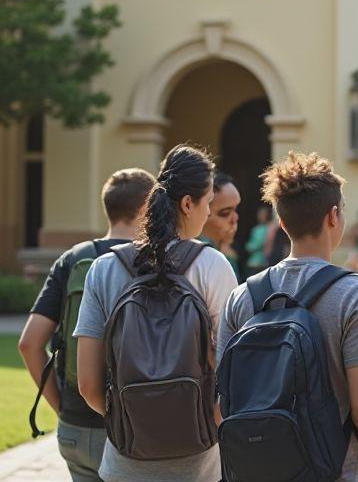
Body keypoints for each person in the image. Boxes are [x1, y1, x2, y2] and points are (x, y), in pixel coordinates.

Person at [217, 151, 358, 482]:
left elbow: (221, 405)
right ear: (334, 216)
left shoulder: (241, 296)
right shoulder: (356, 294)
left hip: (256, 469)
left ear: (281, 223)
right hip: (333, 469)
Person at [73, 145, 237, 482]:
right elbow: (234, 376)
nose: (208, 214)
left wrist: (134, 418)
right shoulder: (212, 266)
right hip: (199, 465)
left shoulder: (104, 269)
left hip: (124, 462)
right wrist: (201, 424)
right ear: (188, 203)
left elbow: (88, 385)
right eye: (207, 203)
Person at [18, 168, 156, 482]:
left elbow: (29, 343)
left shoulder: (73, 259)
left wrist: (63, 408)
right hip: (133, 427)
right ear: (148, 207)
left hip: (76, 428)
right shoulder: (153, 260)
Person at [200, 172, 241, 280]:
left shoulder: (221, 248)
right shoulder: (199, 257)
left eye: (235, 209)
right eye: (225, 213)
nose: (235, 219)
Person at [244, 205, 272, 276]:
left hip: (263, 263)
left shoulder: (269, 228)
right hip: (254, 262)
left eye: (263, 214)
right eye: (259, 214)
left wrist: (249, 247)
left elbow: (256, 245)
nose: (260, 216)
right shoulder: (256, 229)